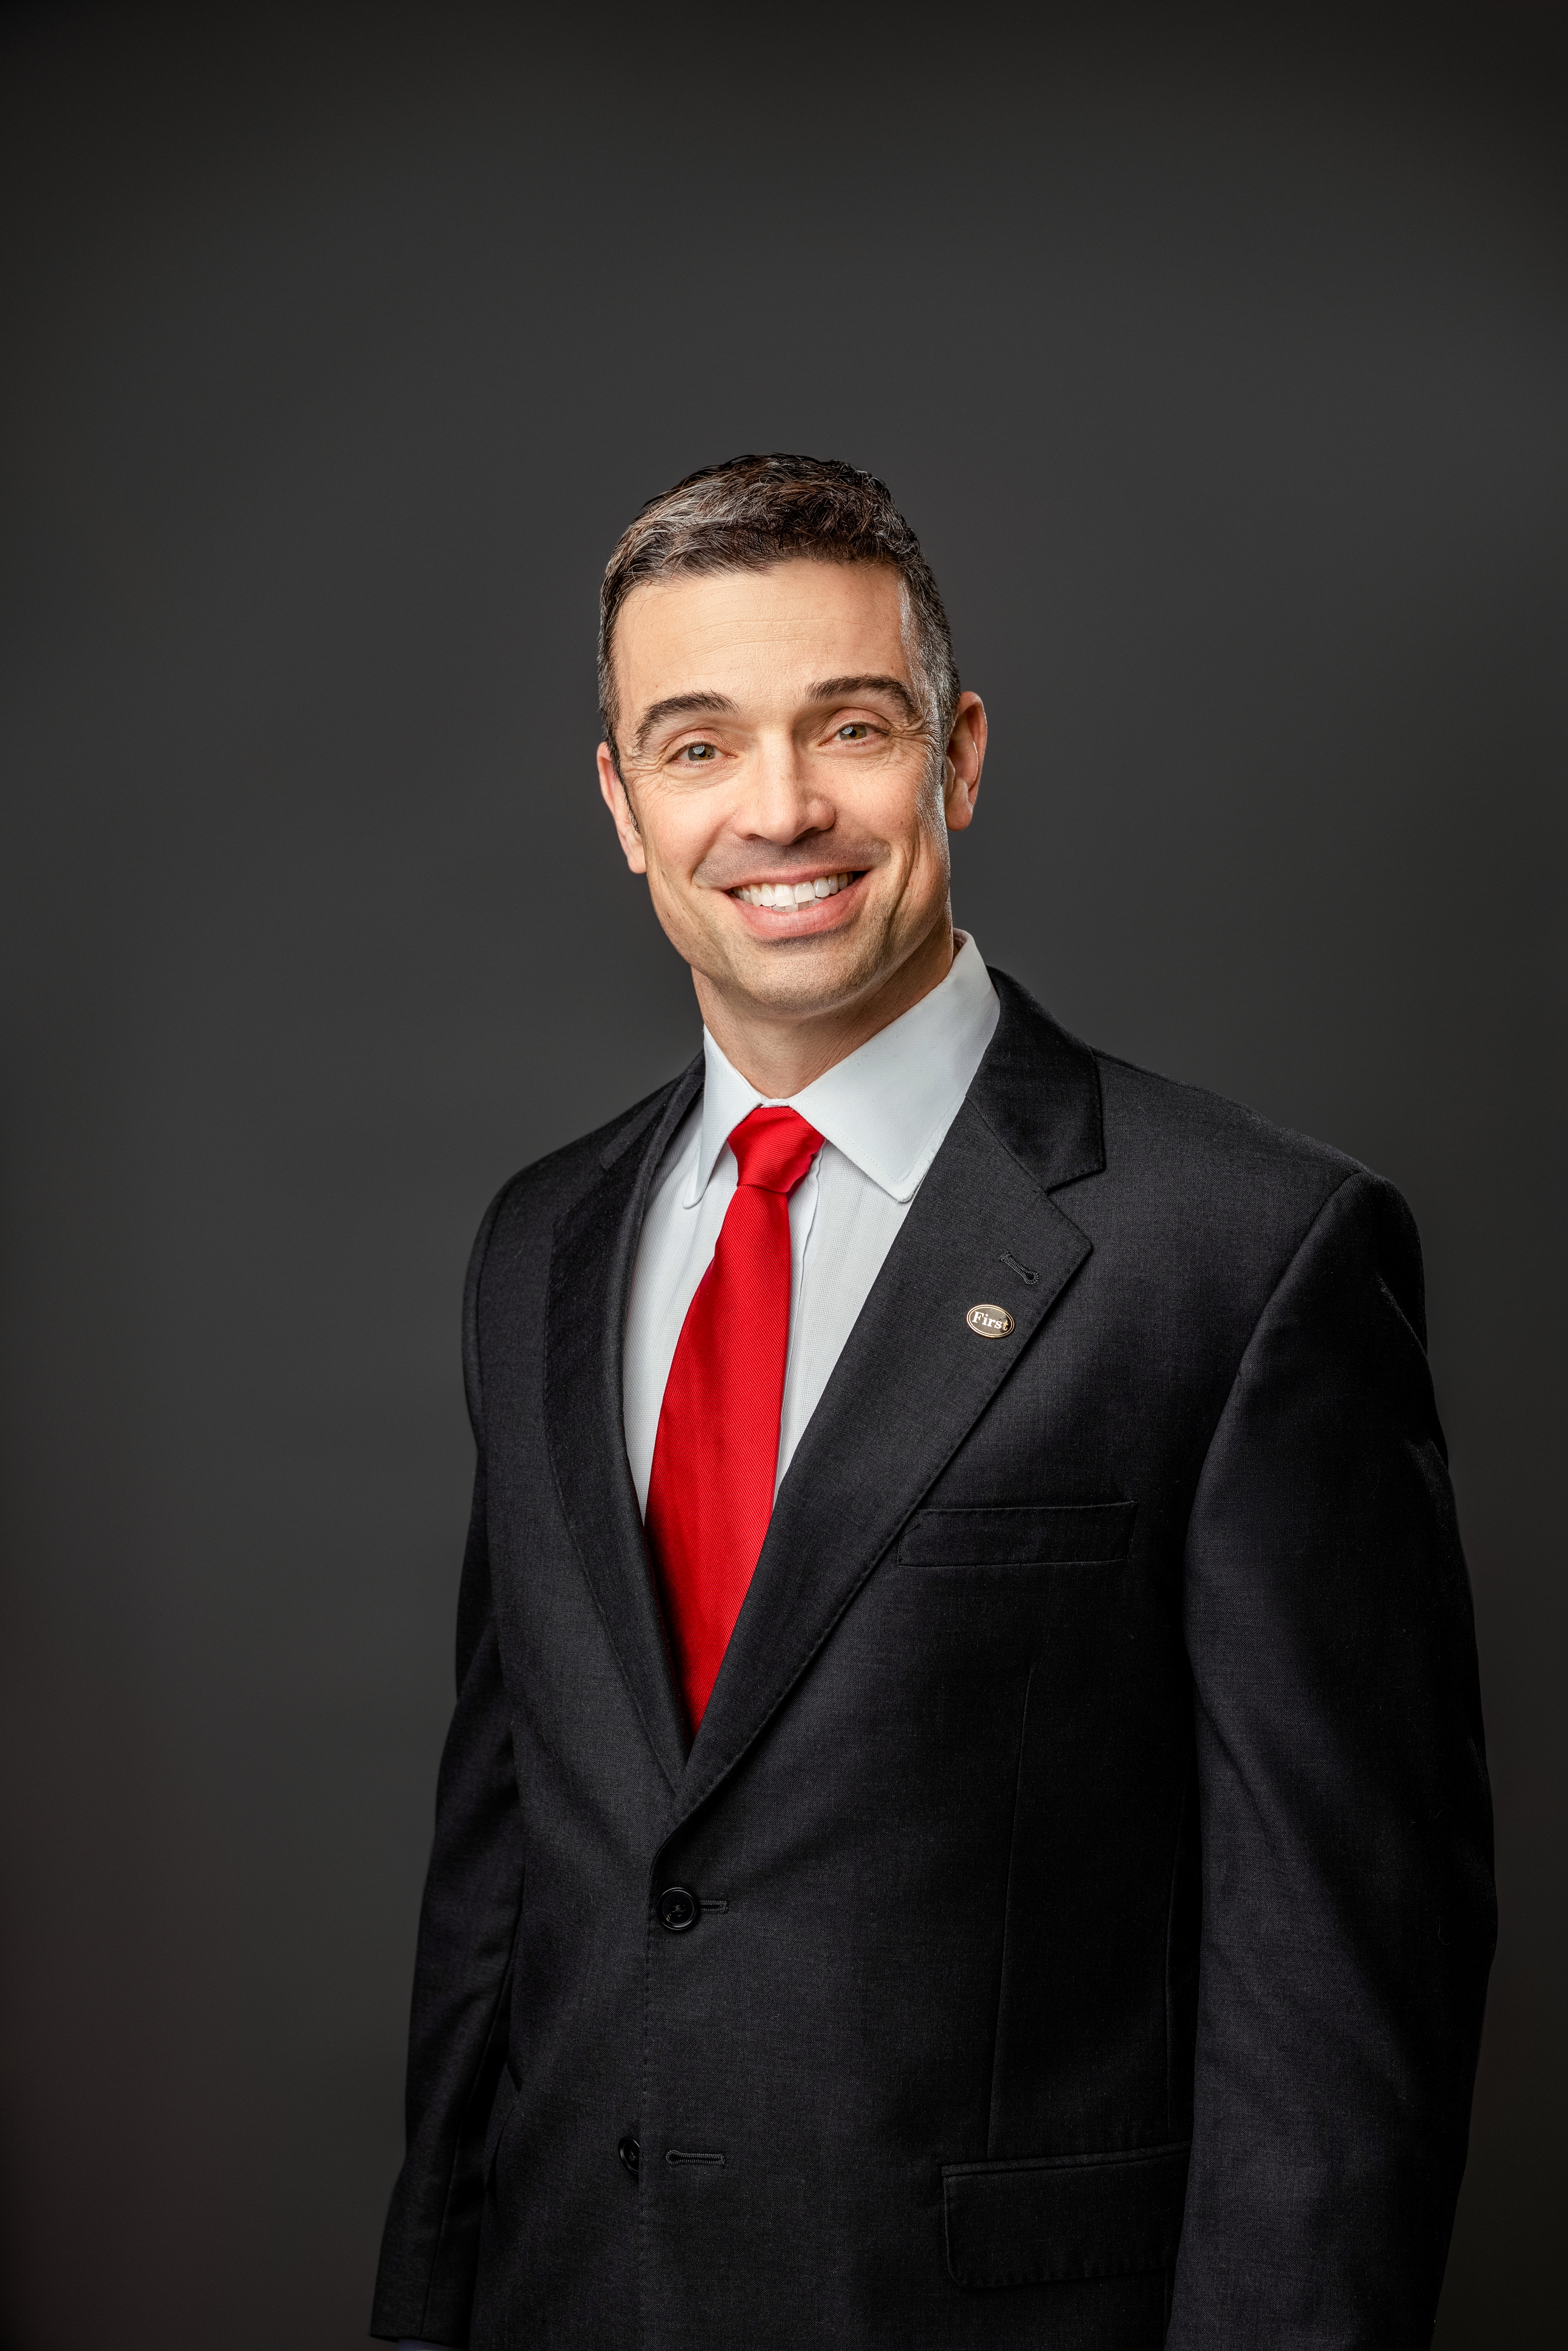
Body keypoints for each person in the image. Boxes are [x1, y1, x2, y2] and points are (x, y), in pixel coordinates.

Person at [371, 453, 1494, 2351]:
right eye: (698, 744)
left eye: (853, 726)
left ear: (957, 757)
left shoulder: (1245, 1253)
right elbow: (503, 1884)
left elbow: (1339, 1995)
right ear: (623, 806)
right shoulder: (537, 1247)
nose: (781, 809)